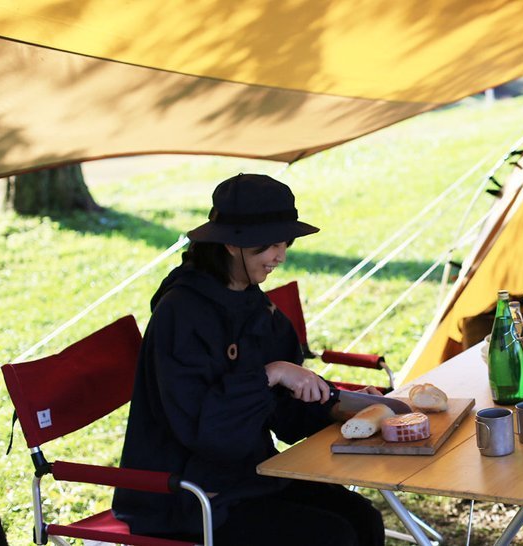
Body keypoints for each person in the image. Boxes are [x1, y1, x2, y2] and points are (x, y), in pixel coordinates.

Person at [113, 174, 384, 546]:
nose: (281, 256)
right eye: (271, 245)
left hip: (247, 477)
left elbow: (284, 415)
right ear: (230, 243)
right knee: (330, 537)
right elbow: (204, 429)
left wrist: (337, 407)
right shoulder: (181, 315)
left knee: (361, 518)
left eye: (285, 243)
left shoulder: (255, 305)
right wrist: (269, 374)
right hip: (187, 497)